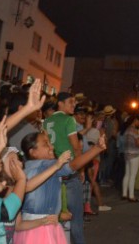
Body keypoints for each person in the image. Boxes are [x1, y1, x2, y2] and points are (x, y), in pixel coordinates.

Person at [15, 131, 106, 243]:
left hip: (27, 225)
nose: (51, 147)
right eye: (45, 144)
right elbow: (73, 165)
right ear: (33, 152)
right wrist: (97, 148)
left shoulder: (25, 169)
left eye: (50, 143)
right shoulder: (47, 165)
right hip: (43, 227)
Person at [42, 92, 84, 244]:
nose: (74, 105)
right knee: (76, 219)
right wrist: (81, 168)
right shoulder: (68, 120)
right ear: (60, 103)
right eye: (70, 102)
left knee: (56, 216)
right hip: (69, 172)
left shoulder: (46, 122)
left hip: (53, 172)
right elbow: (76, 147)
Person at [121, 114, 139, 203]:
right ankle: (131, 196)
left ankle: (124, 194)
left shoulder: (127, 130)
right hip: (134, 154)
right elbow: (138, 143)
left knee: (127, 174)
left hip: (127, 154)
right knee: (133, 175)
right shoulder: (134, 130)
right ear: (135, 120)